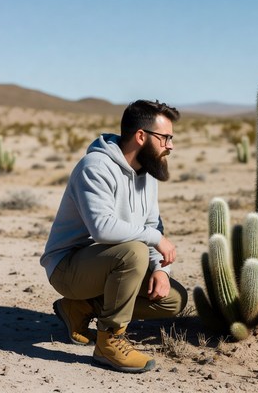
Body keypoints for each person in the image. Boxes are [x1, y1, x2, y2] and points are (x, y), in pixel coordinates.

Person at [40, 99, 188, 374]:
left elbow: (151, 224)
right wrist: (154, 240)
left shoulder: (147, 173)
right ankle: (109, 342)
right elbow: (102, 228)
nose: (170, 145)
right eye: (165, 138)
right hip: (68, 267)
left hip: (110, 264)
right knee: (135, 252)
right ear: (141, 136)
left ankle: (80, 308)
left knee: (172, 299)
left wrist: (161, 271)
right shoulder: (95, 166)